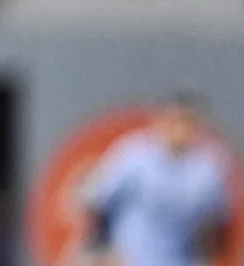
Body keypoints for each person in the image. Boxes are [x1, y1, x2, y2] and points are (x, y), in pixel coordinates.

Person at [80, 94, 233, 266]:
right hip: (132, 258)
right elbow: (97, 201)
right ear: (160, 122)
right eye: (174, 121)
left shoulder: (208, 168)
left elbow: (217, 224)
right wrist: (103, 249)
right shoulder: (134, 156)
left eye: (187, 121)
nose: (180, 128)